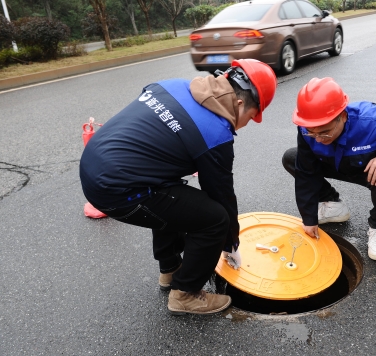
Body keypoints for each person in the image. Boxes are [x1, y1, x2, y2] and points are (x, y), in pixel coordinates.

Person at [80, 59, 277, 315]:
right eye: (252, 116)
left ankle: (170, 270)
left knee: (175, 198)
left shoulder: (171, 85)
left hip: (93, 167)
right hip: (118, 191)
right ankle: (185, 293)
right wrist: (231, 242)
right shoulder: (215, 133)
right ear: (240, 103)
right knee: (215, 220)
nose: (248, 123)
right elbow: (221, 195)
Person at [282, 77, 376, 261]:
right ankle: (332, 204)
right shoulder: (307, 128)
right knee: (293, 158)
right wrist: (309, 218)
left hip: (370, 170)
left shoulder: (374, 123)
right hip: (336, 163)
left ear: (343, 116)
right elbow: (306, 173)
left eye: (324, 131)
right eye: (311, 132)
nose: (317, 138)